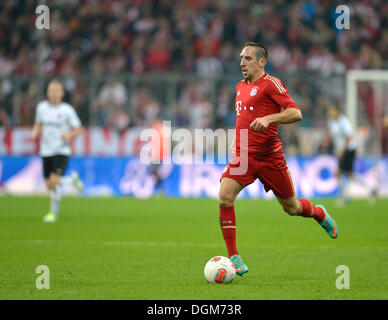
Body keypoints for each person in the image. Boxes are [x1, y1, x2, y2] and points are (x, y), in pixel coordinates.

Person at [219, 42, 339, 277]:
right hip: (243, 156)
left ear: (262, 62)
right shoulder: (239, 87)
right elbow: (244, 119)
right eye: (241, 58)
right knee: (224, 196)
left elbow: (296, 113)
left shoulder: (271, 84)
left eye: (248, 58)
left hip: (270, 157)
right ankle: (234, 256)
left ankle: (318, 213)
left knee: (291, 208)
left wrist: (269, 119)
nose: (242, 62)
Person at [31, 79, 84, 223]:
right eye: (51, 90)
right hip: (46, 150)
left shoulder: (67, 110)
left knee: (54, 181)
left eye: (56, 91)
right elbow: (38, 124)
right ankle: (71, 179)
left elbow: (79, 128)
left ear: (62, 93)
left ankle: (52, 214)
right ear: (47, 92)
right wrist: (34, 132)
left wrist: (68, 136)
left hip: (61, 150)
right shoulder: (41, 108)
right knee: (49, 184)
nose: (53, 93)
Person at [326, 105, 376, 206]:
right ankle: (370, 190)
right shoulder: (332, 122)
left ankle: (344, 198)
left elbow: (349, 137)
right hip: (342, 150)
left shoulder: (343, 121)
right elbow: (332, 134)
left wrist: (342, 152)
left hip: (349, 149)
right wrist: (325, 142)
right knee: (350, 174)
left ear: (337, 111)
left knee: (339, 173)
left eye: (332, 111)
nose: (330, 113)